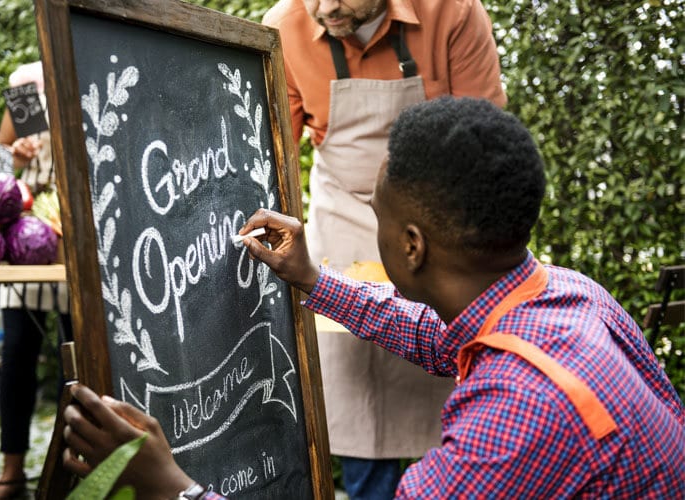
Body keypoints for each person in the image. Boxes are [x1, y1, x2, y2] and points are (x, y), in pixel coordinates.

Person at [61, 97, 684, 498]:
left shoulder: (515, 417)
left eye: (376, 213)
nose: (374, 226)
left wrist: (168, 485)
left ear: (412, 245)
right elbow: (433, 333)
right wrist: (312, 278)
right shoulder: (571, 296)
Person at [261, 0, 506, 494]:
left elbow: (485, 140)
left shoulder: (452, 13)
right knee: (359, 396)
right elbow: (272, 150)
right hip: (344, 220)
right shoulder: (283, 27)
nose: (325, 7)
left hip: (436, 219)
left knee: (454, 366)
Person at [0, 61, 72, 500]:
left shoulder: (95, 60)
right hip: (28, 231)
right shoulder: (26, 81)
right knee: (17, 351)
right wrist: (14, 157)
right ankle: (11, 471)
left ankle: (68, 468)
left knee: (74, 359)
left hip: (78, 236)